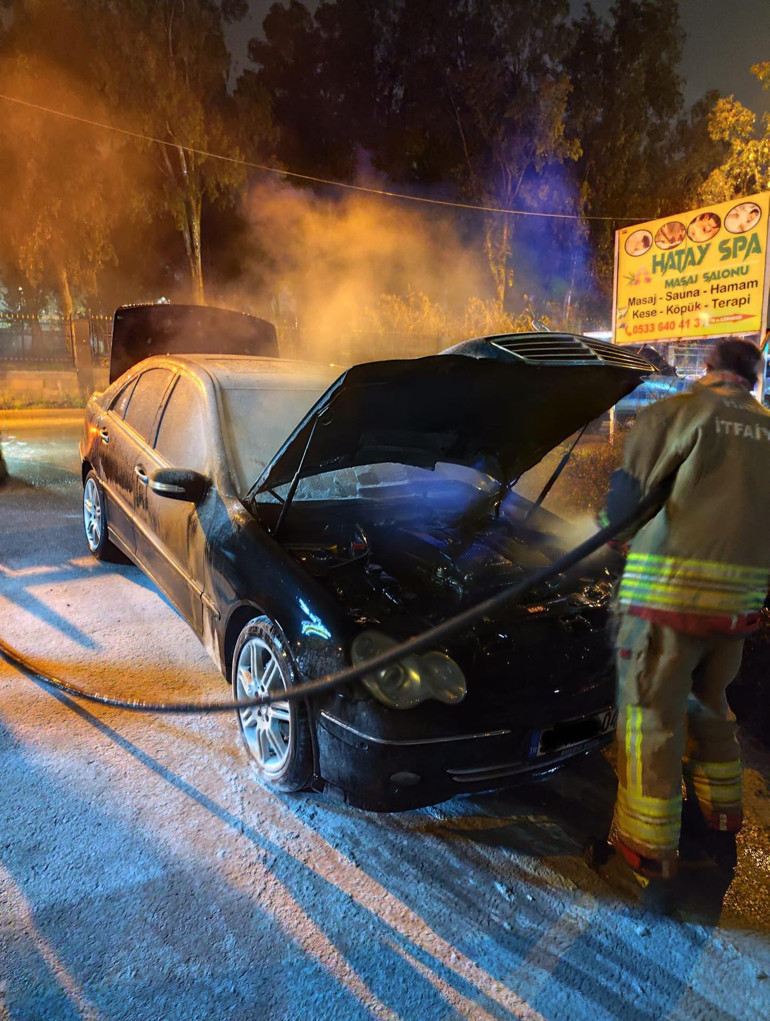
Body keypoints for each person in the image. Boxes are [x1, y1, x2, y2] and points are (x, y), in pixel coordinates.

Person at [601, 337, 770, 909]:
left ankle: (649, 854)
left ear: (707, 368)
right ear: (755, 376)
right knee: (712, 707)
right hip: (737, 610)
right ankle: (721, 820)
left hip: (666, 602)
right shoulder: (768, 429)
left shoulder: (681, 410)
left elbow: (628, 494)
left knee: (651, 718)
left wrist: (613, 535)